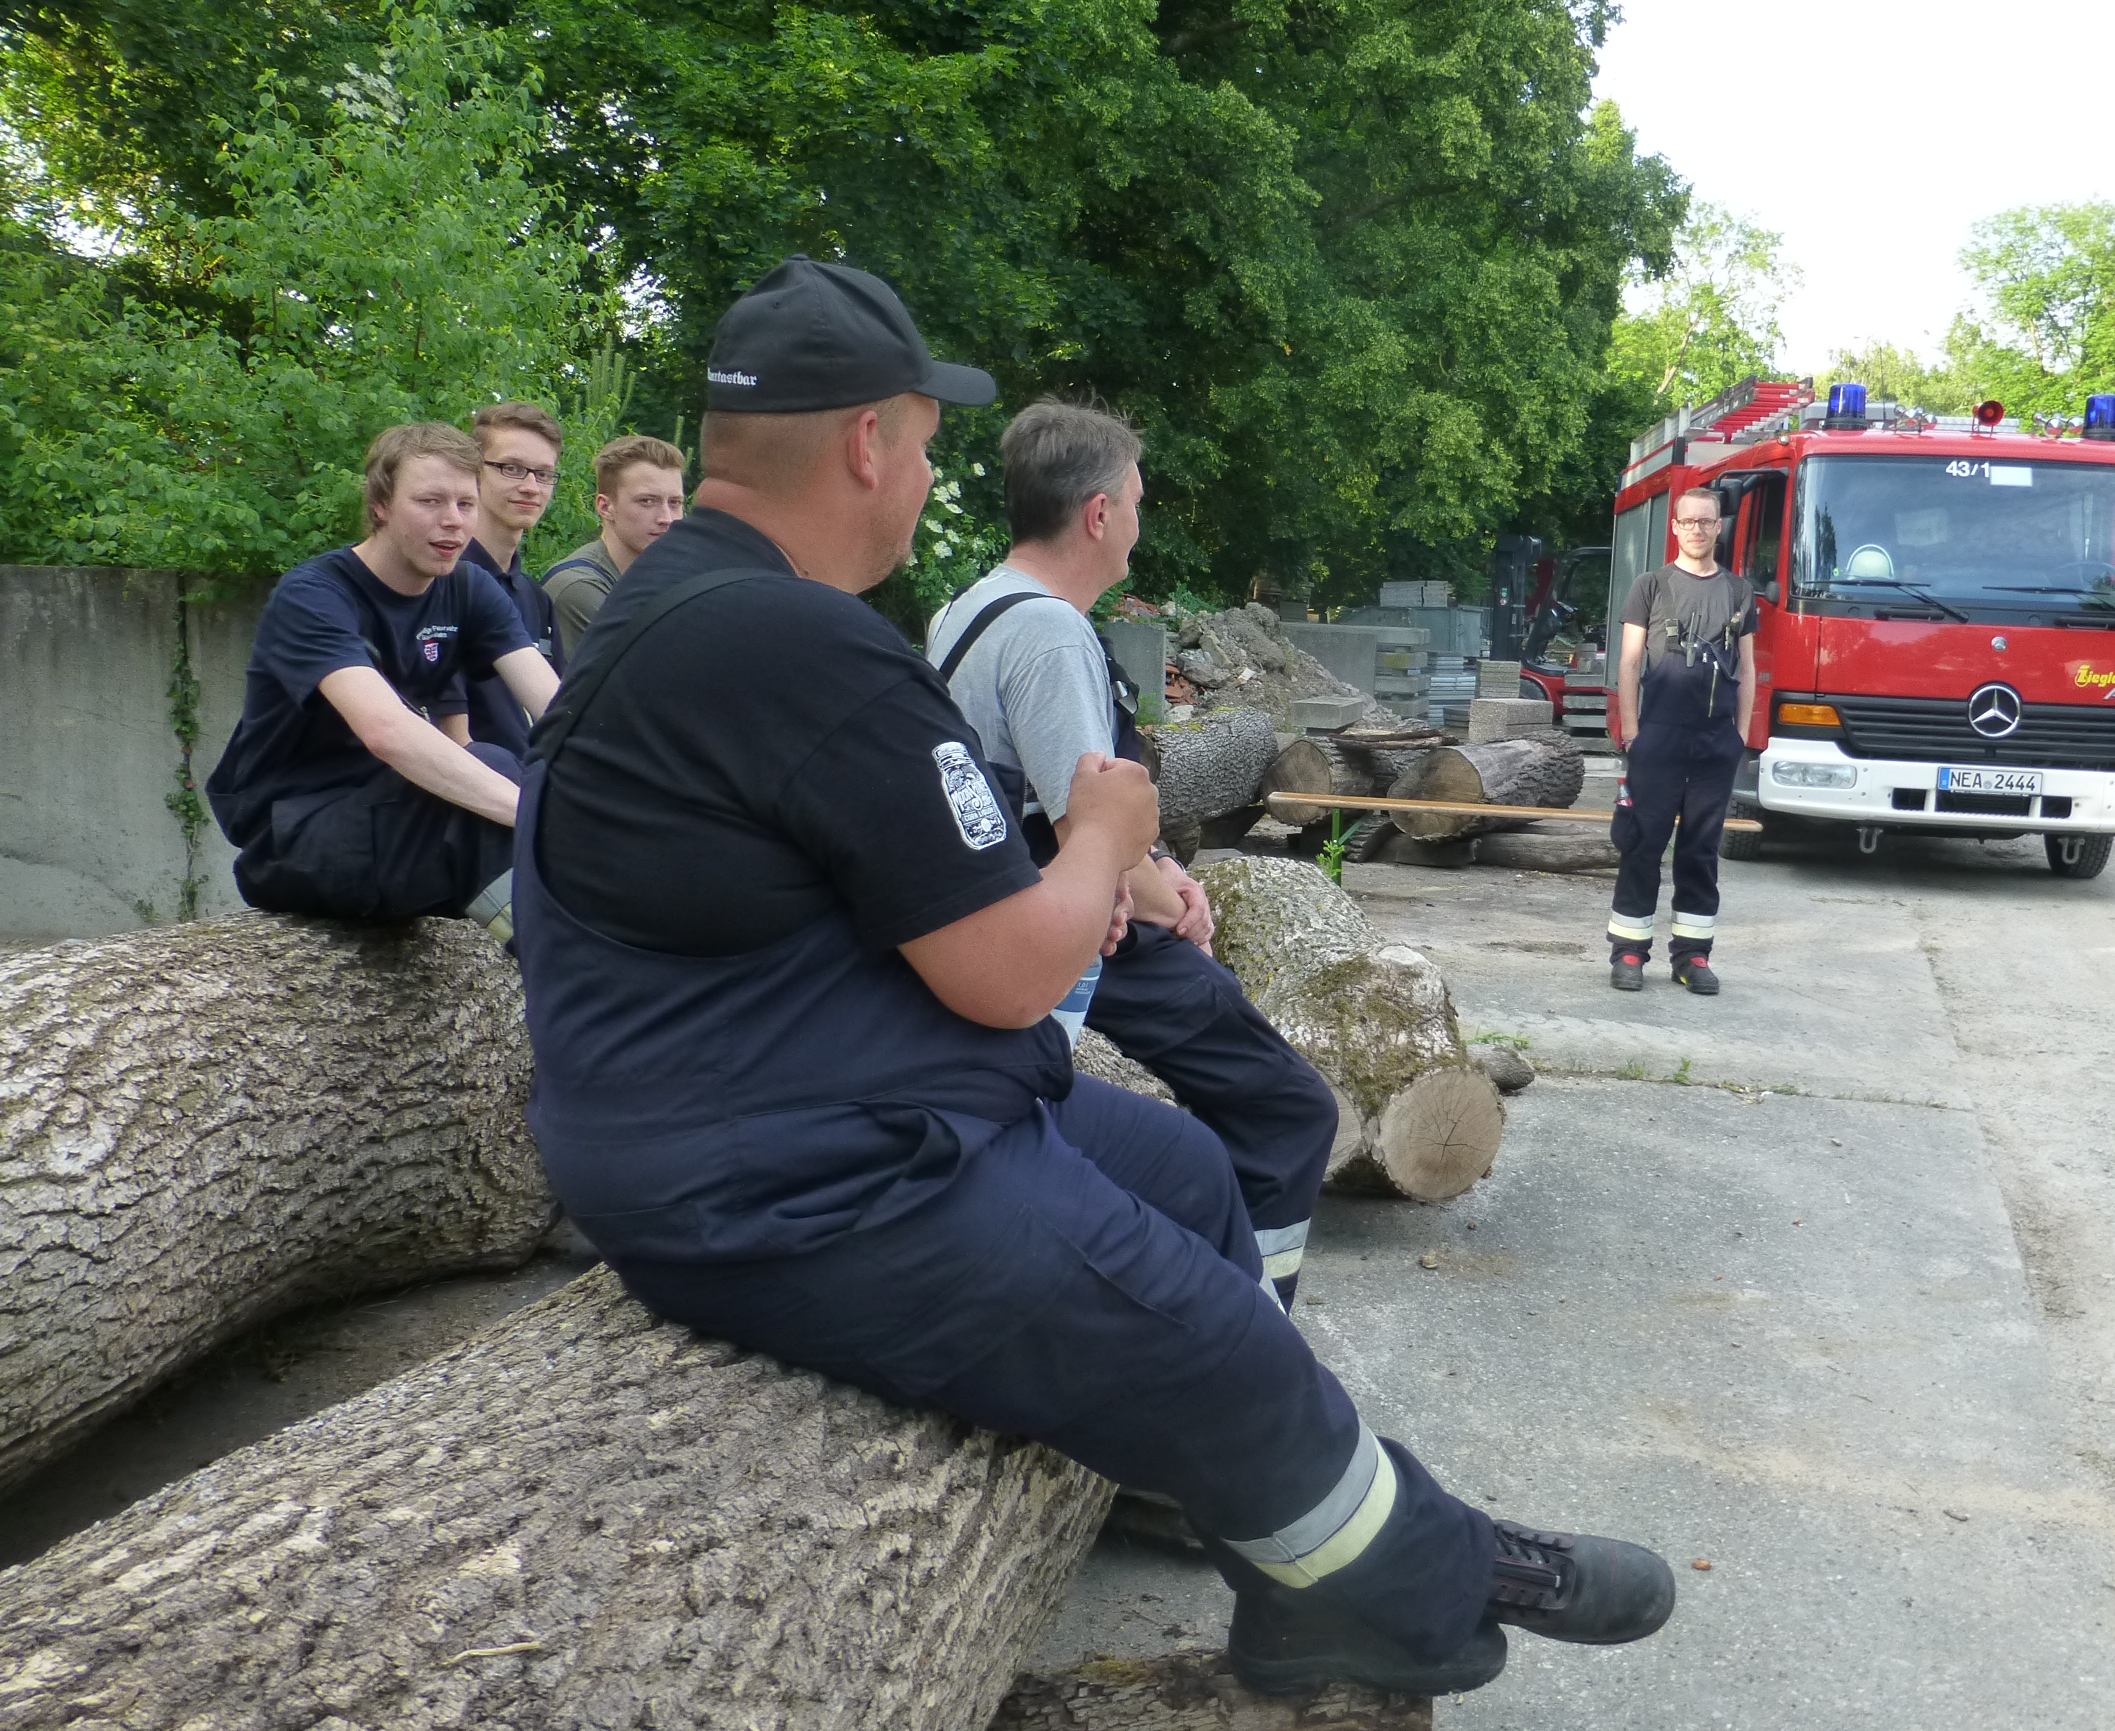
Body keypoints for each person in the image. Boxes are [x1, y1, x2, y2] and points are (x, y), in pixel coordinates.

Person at [511, 255, 1673, 1699]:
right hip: (799, 1177)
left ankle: (1297, 1564)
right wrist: (1113, 834)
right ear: (870, 439)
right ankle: (1437, 1579)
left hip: (793, 1099)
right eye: (928, 446)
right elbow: (1007, 970)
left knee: (1193, 1181)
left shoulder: (691, 608)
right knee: (1218, 1354)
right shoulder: (793, 644)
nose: (928, 479)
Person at [928, 400, 1336, 1310]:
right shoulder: (1048, 631)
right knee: (1286, 1111)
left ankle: (1186, 1280)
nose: (1140, 526)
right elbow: (1085, 825)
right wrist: (1171, 899)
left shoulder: (968, 609)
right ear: (1098, 513)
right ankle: (1253, 1325)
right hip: (1081, 930)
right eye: (1138, 503)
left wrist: (1167, 870)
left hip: (1021, 907)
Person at [206, 421, 558, 924]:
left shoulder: (468, 586)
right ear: (380, 506)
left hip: (393, 816)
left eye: (465, 503)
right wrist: (541, 819)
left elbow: (558, 712)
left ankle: (577, 967)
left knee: (501, 765)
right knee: (498, 784)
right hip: (294, 838)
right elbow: (385, 732)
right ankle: (572, 977)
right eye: (430, 502)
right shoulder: (314, 595)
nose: (454, 521)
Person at [1607, 485, 1758, 995]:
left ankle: (1692, 957)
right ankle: (1628, 951)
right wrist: (1632, 732)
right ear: (1675, 527)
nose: (1697, 528)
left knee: (1701, 849)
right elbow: (1629, 663)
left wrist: (1739, 735)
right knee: (1643, 842)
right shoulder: (1650, 586)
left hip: (1716, 740)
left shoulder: (1739, 592)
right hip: (1659, 735)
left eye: (1706, 521)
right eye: (1688, 521)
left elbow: (1749, 669)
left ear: (1719, 528)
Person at [460, 401, 565, 757]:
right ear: (473, 471)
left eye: (544, 473)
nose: (531, 487)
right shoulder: (440, 585)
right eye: (512, 468)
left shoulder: (535, 598)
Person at [540, 433, 688, 662]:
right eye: (647, 501)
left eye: (675, 503)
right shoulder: (578, 588)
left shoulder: (671, 582)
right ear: (605, 506)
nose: (666, 518)